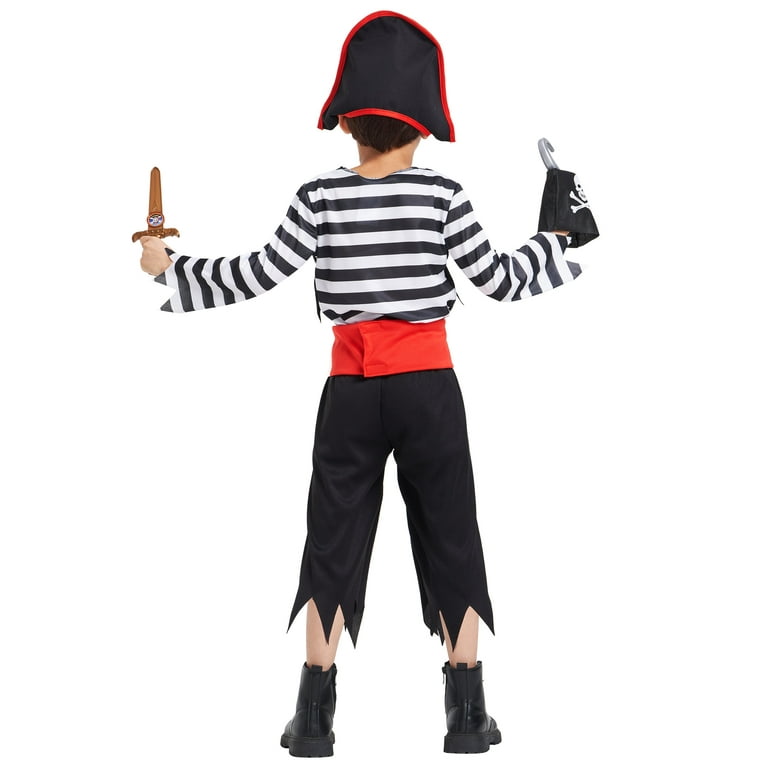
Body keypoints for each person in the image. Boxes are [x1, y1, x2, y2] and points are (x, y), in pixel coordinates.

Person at [138, 11, 589, 757]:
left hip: (348, 392)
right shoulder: (443, 196)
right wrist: (558, 240)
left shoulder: (319, 196)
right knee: (450, 530)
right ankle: (467, 712)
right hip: (429, 389)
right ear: (425, 125)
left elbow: (255, 273)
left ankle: (313, 716)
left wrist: (172, 271)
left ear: (346, 121)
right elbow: (501, 280)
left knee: (333, 537)